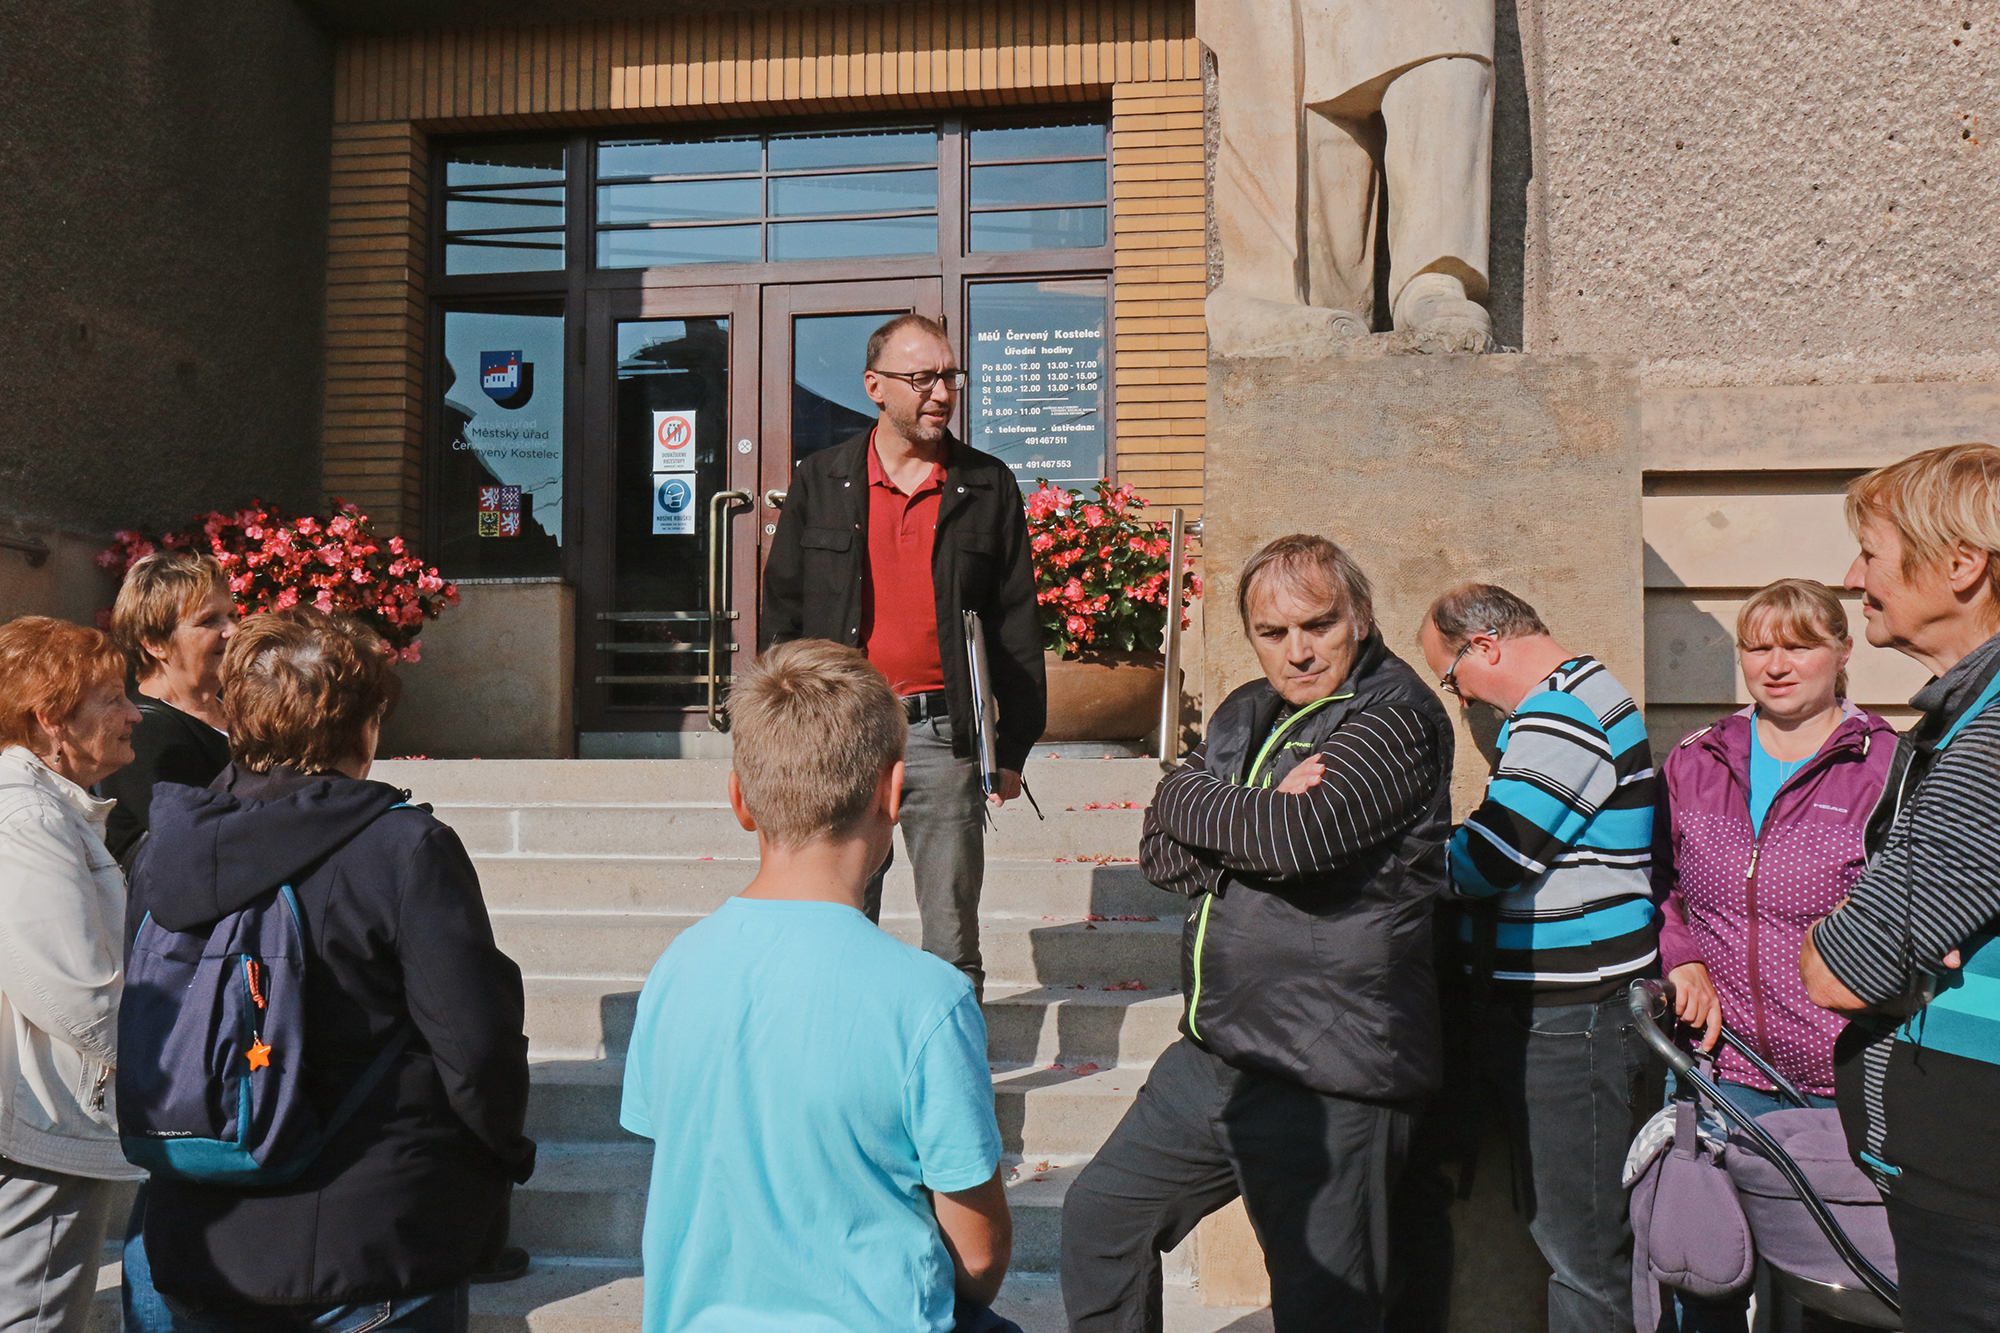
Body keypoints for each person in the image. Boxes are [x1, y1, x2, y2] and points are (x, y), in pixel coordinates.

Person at [1063, 535, 1454, 1333]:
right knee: (1100, 1221)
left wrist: (1204, 803)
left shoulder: (1396, 716)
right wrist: (1248, 801)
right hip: (1217, 1055)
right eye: (1273, 633)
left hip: (1332, 1069)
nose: (1297, 652)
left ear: (1361, 617)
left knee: (1324, 1310)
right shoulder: (1245, 709)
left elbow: (1297, 839)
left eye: (1318, 625)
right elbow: (1159, 851)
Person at [127, 607, 534, 1332]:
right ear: (363, 725)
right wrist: (499, 1157)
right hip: (375, 1237)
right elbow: (475, 1045)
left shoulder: (169, 847)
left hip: (204, 1237)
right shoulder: (404, 849)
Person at [619, 639, 1018, 1333]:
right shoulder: (929, 998)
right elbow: (978, 1254)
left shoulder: (675, 970)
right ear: (893, 793)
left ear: (740, 800)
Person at [763, 313, 1045, 996]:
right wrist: (781, 734)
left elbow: (1015, 623)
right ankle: (848, 1052)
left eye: (949, 376)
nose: (941, 393)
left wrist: (1011, 747)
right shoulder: (822, 479)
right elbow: (784, 615)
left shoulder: (987, 484)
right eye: (922, 378)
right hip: (841, 735)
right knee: (839, 921)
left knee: (951, 938)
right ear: (875, 386)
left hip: (942, 734)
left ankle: (950, 1060)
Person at [1650, 578, 1896, 1332]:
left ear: (1843, 650)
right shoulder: (1695, 758)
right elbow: (1656, 881)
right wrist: (1680, 955)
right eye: (1757, 647)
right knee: (1703, 1280)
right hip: (1719, 1075)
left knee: (1835, 1297)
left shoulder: (1888, 765)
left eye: (1799, 645)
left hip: (1841, 1085)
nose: (1776, 664)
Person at [1417, 584, 1655, 1333]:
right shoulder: (1581, 696)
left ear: (1485, 647)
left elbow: (1491, 858)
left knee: (1581, 1251)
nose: (1460, 698)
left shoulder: (1561, 714)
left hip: (1570, 1018)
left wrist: (1394, 858)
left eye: (1451, 677)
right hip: (1564, 1011)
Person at [1801, 443, 2000, 1332]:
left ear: (1962, 565)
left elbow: (1841, 969)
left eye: (1871, 553)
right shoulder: (1969, 714)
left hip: (1977, 1197)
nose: (1853, 578)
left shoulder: (1991, 740)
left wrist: (1850, 927)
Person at [0, 616, 146, 1332]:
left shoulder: (42, 808)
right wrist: (174, 1065)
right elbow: (77, 997)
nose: (133, 714)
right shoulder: (28, 816)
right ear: (50, 720)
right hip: (40, 1121)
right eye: (112, 699)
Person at [98, 551, 237, 868]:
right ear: (154, 642)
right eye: (209, 620)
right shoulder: (144, 731)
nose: (232, 630)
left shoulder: (235, 707)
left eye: (233, 615)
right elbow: (202, 844)